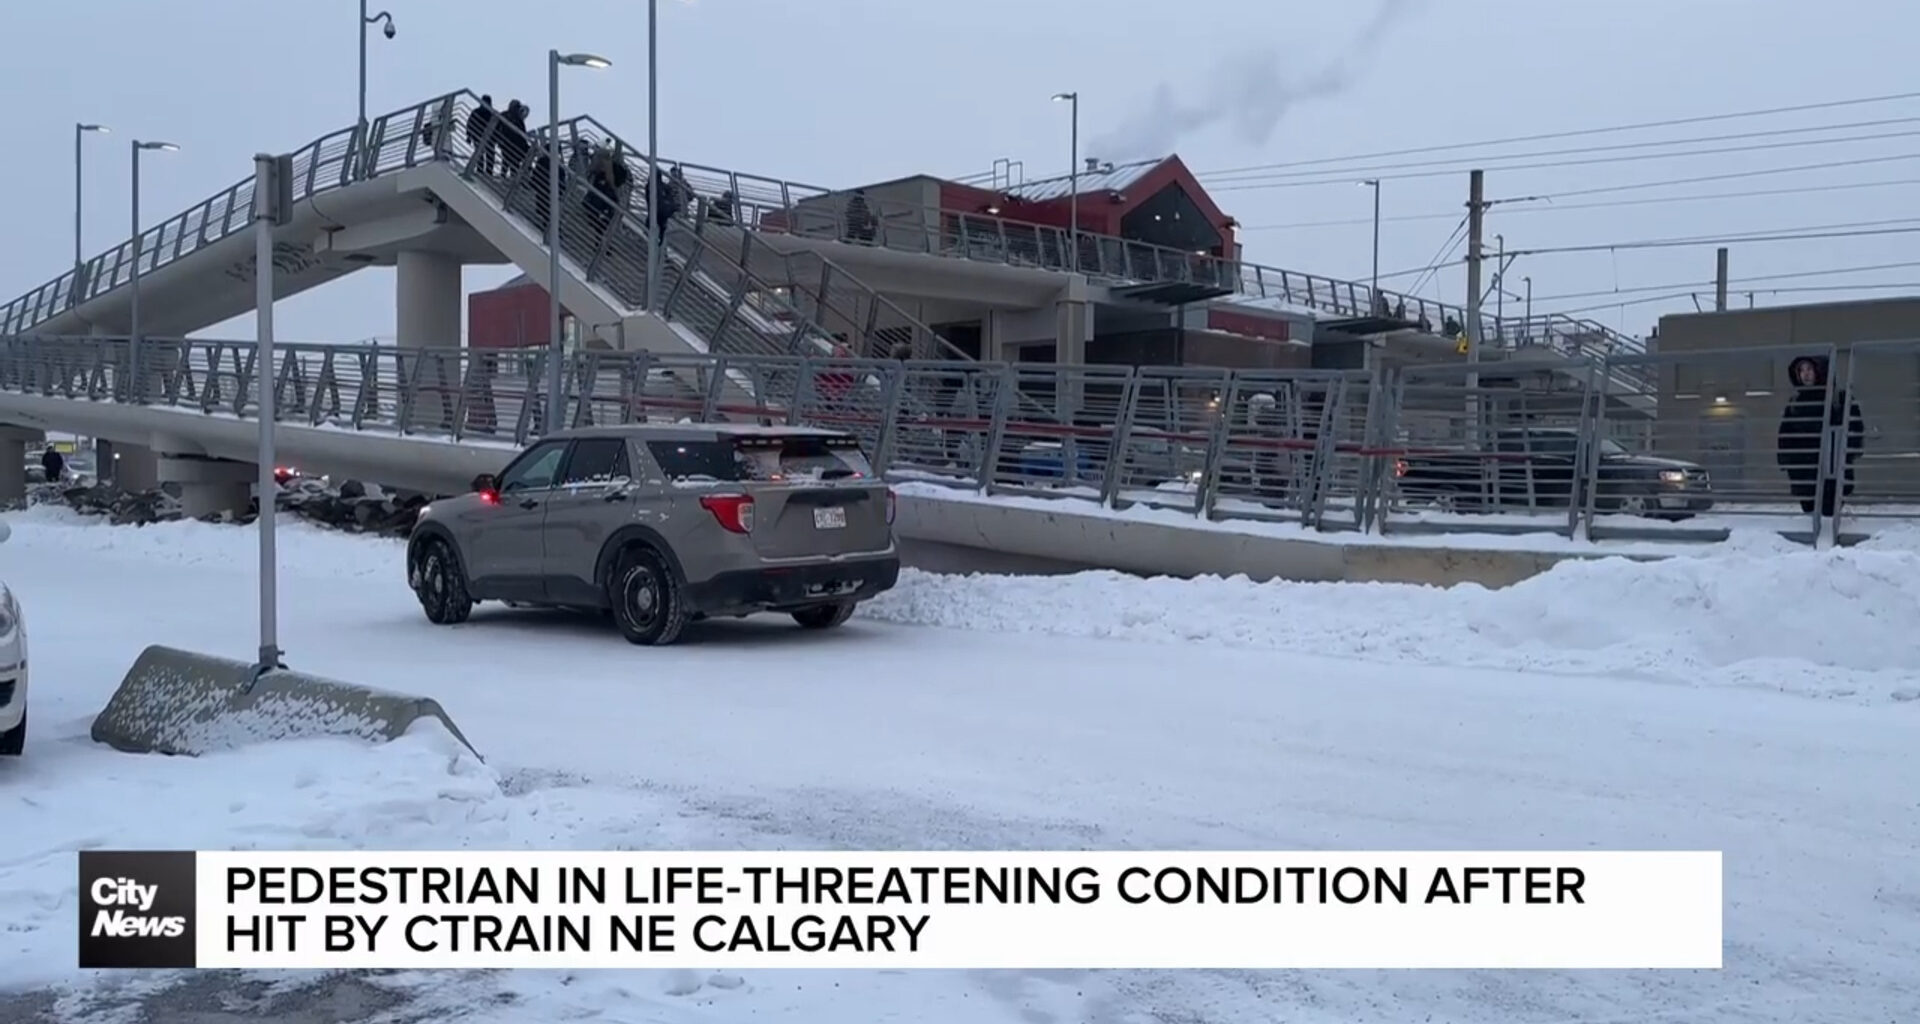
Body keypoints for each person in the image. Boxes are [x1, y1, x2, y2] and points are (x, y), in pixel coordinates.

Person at [1775, 354, 1866, 517]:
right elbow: (1785, 435)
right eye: (1801, 370)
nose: (1805, 374)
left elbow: (1855, 430)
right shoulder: (1795, 403)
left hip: (1832, 470)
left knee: (1830, 515)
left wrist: (1847, 455)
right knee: (1809, 515)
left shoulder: (1840, 399)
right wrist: (1786, 461)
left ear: (1821, 370)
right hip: (1803, 474)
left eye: (1809, 369)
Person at [464, 95, 498, 175]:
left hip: (482, 137)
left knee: (483, 154)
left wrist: (469, 136)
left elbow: (470, 124)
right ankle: (486, 172)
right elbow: (470, 124)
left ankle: (483, 171)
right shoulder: (493, 114)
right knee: (486, 155)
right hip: (486, 137)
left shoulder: (477, 112)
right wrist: (469, 135)